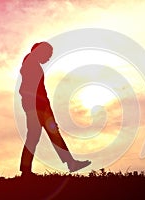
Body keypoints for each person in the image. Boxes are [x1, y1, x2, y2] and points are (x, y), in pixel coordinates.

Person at [19, 42, 91, 176]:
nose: (48, 58)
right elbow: (28, 90)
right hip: (38, 108)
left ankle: (69, 163)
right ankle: (26, 170)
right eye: (48, 55)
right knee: (39, 137)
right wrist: (39, 108)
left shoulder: (31, 64)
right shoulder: (31, 65)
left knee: (42, 136)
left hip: (38, 108)